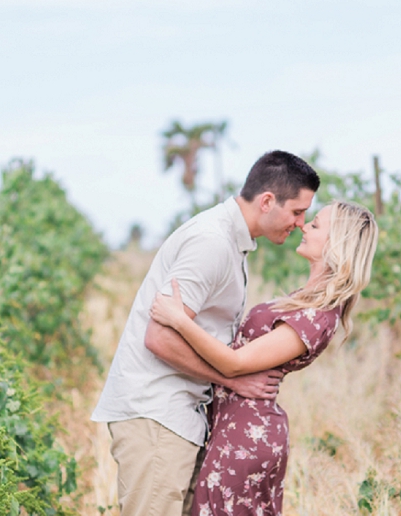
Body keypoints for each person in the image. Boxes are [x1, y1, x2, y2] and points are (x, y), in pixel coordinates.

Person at [91, 150, 321, 516]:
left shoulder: (232, 241)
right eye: (297, 211)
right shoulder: (211, 242)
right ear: (267, 202)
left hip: (179, 416)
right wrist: (231, 380)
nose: (300, 222)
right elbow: (159, 337)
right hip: (157, 414)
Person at [150, 200, 378, 516]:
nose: (304, 226)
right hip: (235, 425)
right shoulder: (307, 301)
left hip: (246, 434)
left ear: (336, 242)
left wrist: (179, 320)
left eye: (315, 225)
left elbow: (235, 363)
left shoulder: (318, 315)